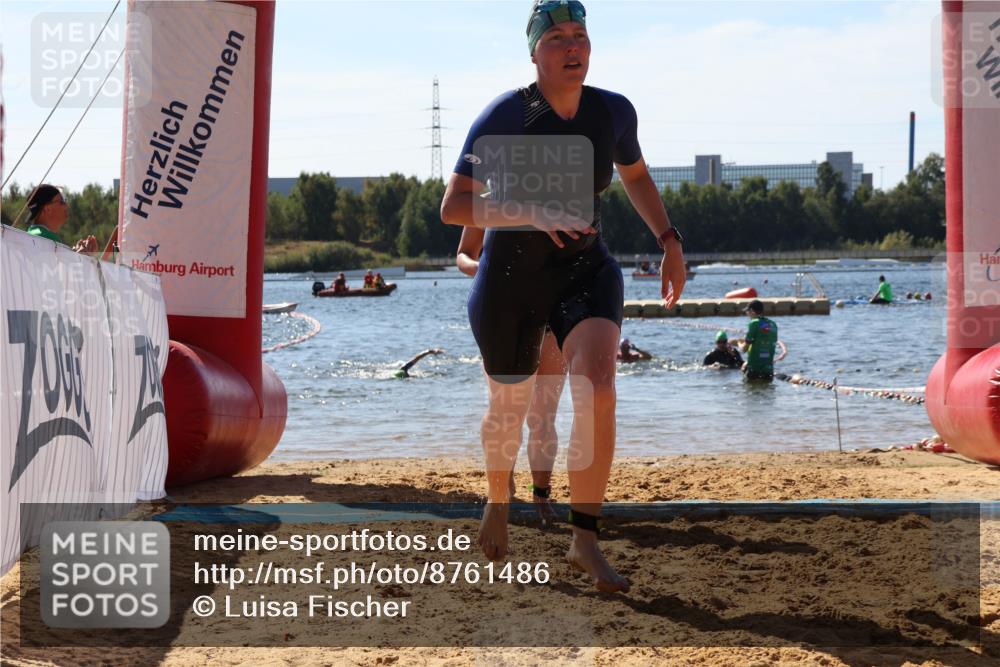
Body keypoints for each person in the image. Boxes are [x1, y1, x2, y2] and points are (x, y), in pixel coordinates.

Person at [440, 0, 685, 592]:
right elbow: (453, 208)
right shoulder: (506, 116)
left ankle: (585, 541)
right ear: (534, 52)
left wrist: (669, 239)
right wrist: (530, 209)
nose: (574, 46)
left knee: (599, 385)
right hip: (509, 280)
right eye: (558, 38)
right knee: (508, 409)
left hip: (584, 272)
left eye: (581, 35)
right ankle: (499, 499)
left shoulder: (612, 111)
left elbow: (636, 176)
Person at [458, 226, 564, 520]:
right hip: (502, 309)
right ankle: (502, 486)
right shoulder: (493, 197)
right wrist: (488, 269)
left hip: (553, 311)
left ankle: (541, 495)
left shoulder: (559, 193)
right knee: (505, 412)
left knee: (544, 415)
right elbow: (463, 254)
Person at [24, 184, 97, 253]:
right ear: (47, 209)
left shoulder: (32, 235)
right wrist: (81, 258)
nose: (66, 205)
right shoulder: (44, 238)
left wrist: (75, 253)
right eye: (62, 201)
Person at [739, 300, 778, 381]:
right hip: (768, 370)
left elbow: (744, 349)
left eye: (747, 311)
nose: (747, 314)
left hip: (754, 370)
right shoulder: (773, 324)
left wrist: (739, 343)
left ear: (752, 311)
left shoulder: (754, 323)